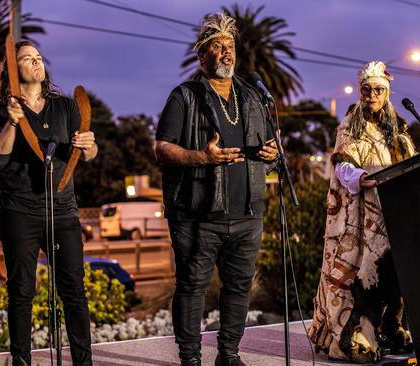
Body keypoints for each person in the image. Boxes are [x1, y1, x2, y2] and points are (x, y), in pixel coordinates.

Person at [154, 12, 279, 366]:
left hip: (247, 213)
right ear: (201, 56)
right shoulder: (185, 97)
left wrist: (271, 155)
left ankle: (229, 354)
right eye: (217, 46)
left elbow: (268, 149)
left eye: (230, 46)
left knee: (239, 288)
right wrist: (201, 157)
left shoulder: (253, 97)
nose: (226, 52)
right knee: (192, 287)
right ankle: (191, 358)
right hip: (197, 215)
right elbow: (162, 149)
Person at [0, 40, 97, 366]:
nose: (36, 61)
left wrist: (88, 146)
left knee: (74, 291)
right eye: (27, 58)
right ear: (13, 70)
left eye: (38, 57)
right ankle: (22, 362)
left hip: (62, 210)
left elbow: (86, 153)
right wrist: (13, 122)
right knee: (21, 293)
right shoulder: (1, 113)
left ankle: (83, 363)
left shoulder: (64, 108)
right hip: (20, 211)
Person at [308, 61, 416, 363]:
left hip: (394, 213)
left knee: (394, 273)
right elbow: (341, 163)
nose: (372, 95)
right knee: (365, 275)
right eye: (366, 90)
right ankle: (358, 337)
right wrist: (359, 177)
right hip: (361, 216)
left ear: (387, 93)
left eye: (378, 90)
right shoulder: (351, 124)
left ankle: (392, 328)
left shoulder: (398, 129)